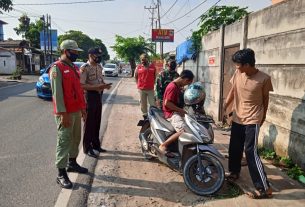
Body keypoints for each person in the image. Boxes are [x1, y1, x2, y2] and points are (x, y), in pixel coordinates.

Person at [224, 48, 273, 199]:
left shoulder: (264, 78)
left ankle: (264, 187)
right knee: (234, 147)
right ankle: (234, 172)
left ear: (248, 64)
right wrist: (225, 106)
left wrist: (262, 118)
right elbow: (233, 90)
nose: (236, 68)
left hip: (253, 118)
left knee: (250, 151)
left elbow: (265, 100)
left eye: (239, 65)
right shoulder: (238, 73)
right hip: (238, 116)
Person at [49, 39, 88, 189]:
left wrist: (83, 109)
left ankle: (72, 163)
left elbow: (78, 91)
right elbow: (57, 94)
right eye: (75, 52)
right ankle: (61, 173)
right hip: (64, 113)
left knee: (75, 138)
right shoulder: (56, 68)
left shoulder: (73, 67)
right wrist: (62, 113)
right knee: (64, 141)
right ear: (66, 51)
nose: (77, 54)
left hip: (76, 111)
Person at [80, 47, 111, 158]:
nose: (98, 58)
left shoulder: (99, 67)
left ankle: (96, 145)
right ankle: (87, 148)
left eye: (99, 56)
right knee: (89, 124)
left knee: (97, 121)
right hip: (89, 96)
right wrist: (97, 86)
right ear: (91, 55)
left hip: (98, 96)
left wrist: (104, 85)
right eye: (97, 56)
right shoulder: (85, 68)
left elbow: (100, 80)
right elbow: (82, 85)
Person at [159, 70, 194, 155]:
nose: (186, 84)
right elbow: (167, 103)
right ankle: (163, 145)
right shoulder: (173, 87)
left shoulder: (177, 86)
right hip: (171, 113)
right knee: (184, 130)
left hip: (175, 111)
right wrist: (180, 110)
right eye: (188, 82)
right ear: (185, 79)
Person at [135, 53, 156, 118]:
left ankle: (153, 116)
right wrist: (138, 85)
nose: (142, 61)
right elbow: (136, 76)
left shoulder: (153, 67)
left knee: (152, 104)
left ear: (147, 59)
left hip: (150, 89)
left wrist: (152, 83)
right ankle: (145, 116)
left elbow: (155, 76)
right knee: (143, 105)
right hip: (142, 89)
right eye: (141, 60)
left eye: (144, 59)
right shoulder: (138, 67)